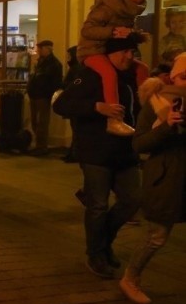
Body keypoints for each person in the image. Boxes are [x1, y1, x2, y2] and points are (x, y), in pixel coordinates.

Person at [53, 33, 143, 279]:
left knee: (132, 200)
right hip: (96, 152)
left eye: (131, 51)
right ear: (110, 53)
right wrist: (96, 107)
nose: (129, 56)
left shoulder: (131, 76)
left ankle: (104, 243)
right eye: (124, 51)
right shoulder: (90, 75)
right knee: (98, 206)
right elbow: (61, 105)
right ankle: (96, 254)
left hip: (126, 152)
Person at [119, 53, 186, 304]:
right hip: (166, 178)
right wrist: (167, 125)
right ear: (174, 76)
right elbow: (139, 144)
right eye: (184, 76)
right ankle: (130, 279)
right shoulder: (156, 101)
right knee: (157, 236)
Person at [77, 0, 150, 136]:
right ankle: (114, 120)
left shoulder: (128, 10)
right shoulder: (106, 8)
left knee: (142, 69)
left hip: (109, 50)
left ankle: (146, 113)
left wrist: (134, 35)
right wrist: (113, 31)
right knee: (109, 74)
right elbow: (87, 30)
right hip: (91, 50)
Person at [26, 40, 64, 156]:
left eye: (40, 49)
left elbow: (55, 82)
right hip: (35, 95)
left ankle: (42, 147)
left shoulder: (54, 64)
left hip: (43, 96)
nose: (38, 51)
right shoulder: (40, 62)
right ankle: (39, 145)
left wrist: (48, 93)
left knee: (42, 122)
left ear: (47, 49)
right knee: (35, 122)